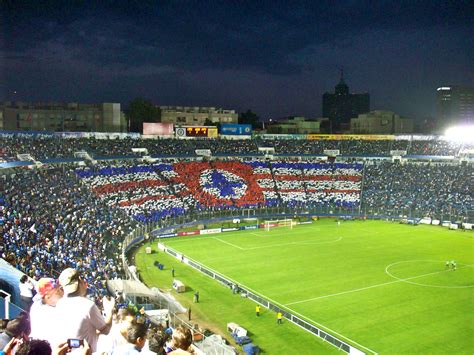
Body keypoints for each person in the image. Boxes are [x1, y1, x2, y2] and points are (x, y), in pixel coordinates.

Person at [55, 268, 115, 352]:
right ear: (79, 282)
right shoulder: (88, 305)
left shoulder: (59, 304)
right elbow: (106, 330)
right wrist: (109, 311)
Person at [29, 278, 64, 347]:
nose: (62, 293)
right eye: (57, 291)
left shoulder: (36, 305)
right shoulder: (50, 313)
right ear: (47, 297)